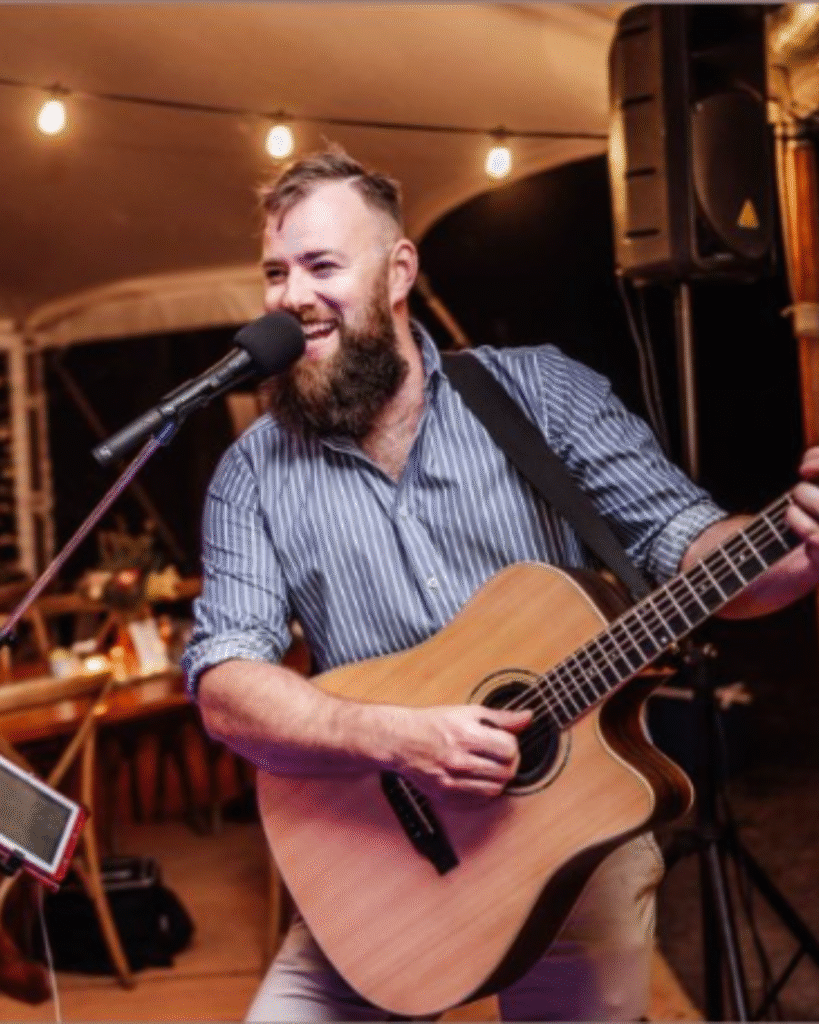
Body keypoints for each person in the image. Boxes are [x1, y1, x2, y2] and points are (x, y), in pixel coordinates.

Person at [182, 149, 819, 1022]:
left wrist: (791, 548)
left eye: (322, 265)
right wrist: (396, 737)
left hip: (571, 845)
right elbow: (225, 689)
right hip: (378, 848)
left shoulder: (539, 393)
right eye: (276, 271)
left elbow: (694, 550)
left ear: (399, 270)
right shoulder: (252, 473)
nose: (292, 295)